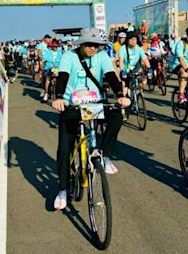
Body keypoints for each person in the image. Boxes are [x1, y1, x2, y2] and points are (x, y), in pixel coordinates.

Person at [52, 27, 130, 210]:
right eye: (89, 45)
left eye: (97, 46)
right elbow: (62, 77)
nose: (93, 49)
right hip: (71, 104)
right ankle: (62, 189)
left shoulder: (101, 56)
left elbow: (111, 76)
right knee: (64, 148)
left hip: (95, 103)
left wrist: (120, 94)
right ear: (81, 44)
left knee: (117, 115)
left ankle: (104, 155)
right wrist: (58, 97)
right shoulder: (69, 57)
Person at [119, 32, 153, 97]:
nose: (133, 41)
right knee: (124, 87)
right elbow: (121, 60)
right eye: (131, 39)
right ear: (127, 40)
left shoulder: (138, 48)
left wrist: (149, 68)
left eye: (135, 39)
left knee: (144, 82)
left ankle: (138, 92)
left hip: (136, 68)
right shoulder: (122, 48)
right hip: (126, 70)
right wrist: (122, 70)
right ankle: (125, 103)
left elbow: (145, 59)